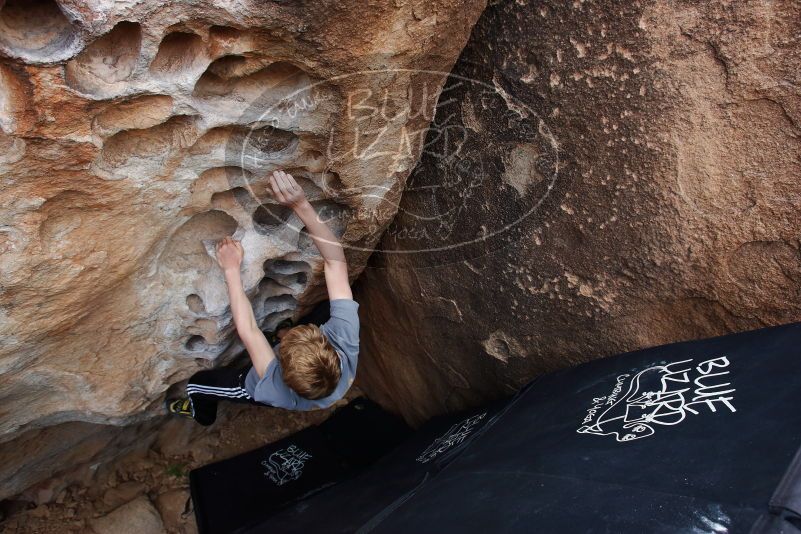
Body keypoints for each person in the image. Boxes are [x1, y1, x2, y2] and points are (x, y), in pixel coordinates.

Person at [166, 170, 359, 425]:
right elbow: (336, 262)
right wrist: (301, 205)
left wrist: (231, 269)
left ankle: (201, 412)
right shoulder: (345, 340)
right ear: (330, 348)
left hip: (251, 387)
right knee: (327, 309)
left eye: (284, 345)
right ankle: (287, 335)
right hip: (331, 385)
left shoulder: (272, 387)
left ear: (279, 365)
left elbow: (249, 331)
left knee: (200, 384)